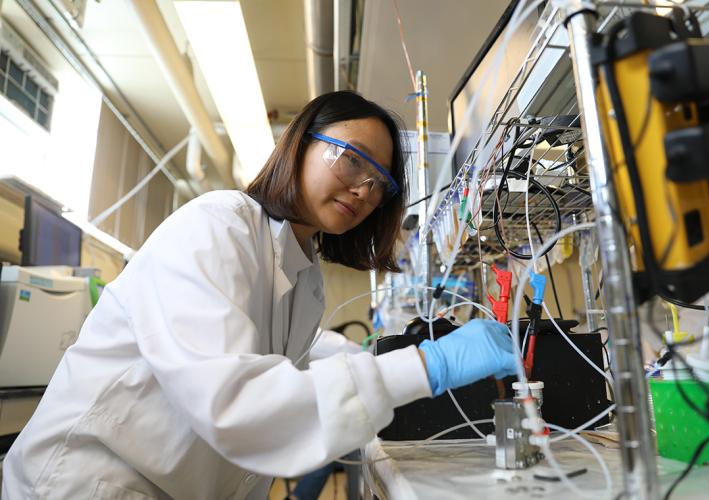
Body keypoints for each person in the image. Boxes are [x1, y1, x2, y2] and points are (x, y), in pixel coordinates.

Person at [2, 91, 516, 500]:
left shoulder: (304, 272)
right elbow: (238, 403)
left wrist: (370, 359)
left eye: (379, 182)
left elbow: (278, 362)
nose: (363, 190)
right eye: (351, 159)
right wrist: (428, 365)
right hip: (86, 484)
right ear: (299, 144)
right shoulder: (218, 224)